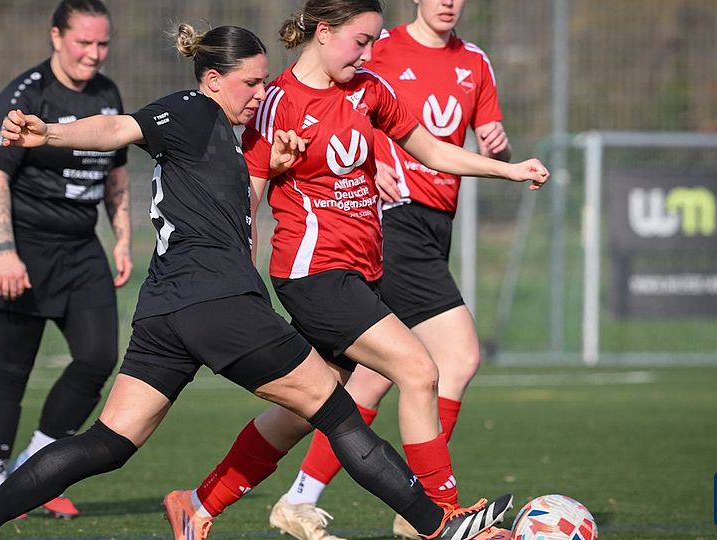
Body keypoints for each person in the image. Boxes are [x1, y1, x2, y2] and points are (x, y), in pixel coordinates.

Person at [0, 23, 505, 540]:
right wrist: (48, 135)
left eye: (264, 81)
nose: (261, 93)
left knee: (108, 442)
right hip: (220, 302)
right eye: (250, 83)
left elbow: (233, 191)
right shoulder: (190, 110)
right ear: (213, 80)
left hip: (165, 309)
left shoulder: (230, 139)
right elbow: (116, 127)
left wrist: (278, 163)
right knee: (337, 413)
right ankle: (439, 526)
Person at [163, 1, 546, 539]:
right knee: (419, 370)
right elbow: (246, 201)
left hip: (360, 272)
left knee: (304, 410)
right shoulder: (276, 103)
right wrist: (237, 279)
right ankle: (447, 518)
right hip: (315, 274)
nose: (367, 54)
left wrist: (508, 170)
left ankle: (198, 504)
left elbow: (433, 151)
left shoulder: (369, 90)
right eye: (360, 41)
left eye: (372, 42)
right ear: (323, 32)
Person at [269, 1, 513, 538]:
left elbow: (471, 135)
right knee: (451, 358)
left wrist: (502, 154)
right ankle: (431, 511)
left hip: (436, 223)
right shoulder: (378, 49)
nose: (448, 2)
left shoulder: (474, 61)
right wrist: (373, 157)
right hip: (395, 221)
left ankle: (294, 498)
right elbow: (348, 117)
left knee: (366, 378)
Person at [0, 0, 130, 520]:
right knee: (12, 363)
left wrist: (122, 239)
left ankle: (33, 467)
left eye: (102, 43)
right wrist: (6, 253)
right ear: (56, 37)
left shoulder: (108, 94)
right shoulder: (25, 94)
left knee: (98, 356)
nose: (94, 54)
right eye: (84, 42)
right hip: (18, 241)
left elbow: (116, 175)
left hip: (79, 246)